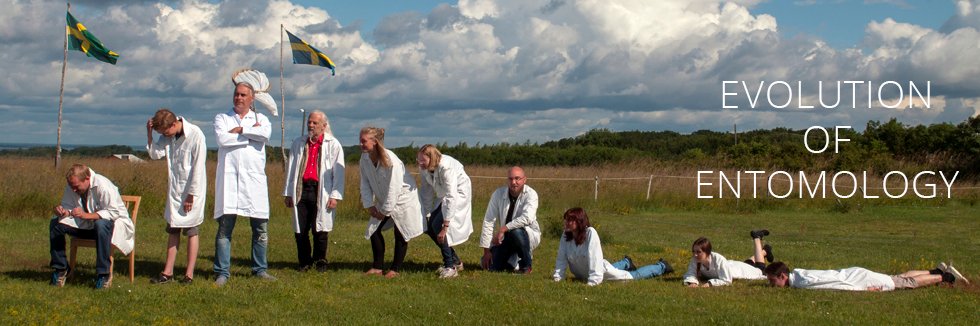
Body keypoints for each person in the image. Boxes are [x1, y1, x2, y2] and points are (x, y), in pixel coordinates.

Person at [212, 69, 277, 286]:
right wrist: (249, 135)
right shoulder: (222, 118)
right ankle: (222, 271)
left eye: (243, 95)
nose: (239, 98)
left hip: (254, 182)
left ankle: (260, 269)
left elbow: (264, 135)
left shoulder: (262, 119)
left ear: (252, 98)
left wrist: (241, 129)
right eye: (236, 94)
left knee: (260, 228)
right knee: (224, 229)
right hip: (229, 180)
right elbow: (223, 139)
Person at [146, 108, 207, 284]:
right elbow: (155, 154)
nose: (165, 135)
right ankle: (168, 272)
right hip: (175, 191)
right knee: (173, 229)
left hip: (191, 191)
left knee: (191, 230)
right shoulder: (168, 136)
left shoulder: (196, 135)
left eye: (165, 131)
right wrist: (149, 134)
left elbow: (198, 167)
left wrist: (191, 195)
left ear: (174, 124)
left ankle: (189, 274)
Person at [49, 164, 135, 289]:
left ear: (87, 178)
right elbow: (69, 207)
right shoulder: (72, 186)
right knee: (56, 223)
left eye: (76, 187)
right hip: (87, 226)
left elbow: (113, 212)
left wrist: (86, 215)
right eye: (71, 186)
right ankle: (60, 269)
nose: (74, 190)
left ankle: (104, 274)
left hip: (112, 227)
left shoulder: (103, 185)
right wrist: (62, 212)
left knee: (101, 224)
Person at [359, 127, 425, 278]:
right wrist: (369, 205)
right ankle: (377, 267)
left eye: (364, 141)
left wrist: (384, 211)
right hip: (384, 199)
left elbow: (394, 189)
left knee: (401, 232)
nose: (361, 144)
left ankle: (395, 269)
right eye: (360, 140)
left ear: (375, 142)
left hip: (403, 199)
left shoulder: (391, 160)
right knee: (373, 231)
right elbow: (365, 183)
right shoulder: (364, 158)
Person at [283, 110, 345, 272]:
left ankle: (320, 261)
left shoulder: (333, 144)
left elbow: (338, 173)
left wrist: (335, 196)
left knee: (320, 229)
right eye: (309, 122)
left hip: (322, 189)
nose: (311, 125)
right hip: (301, 189)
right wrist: (288, 193)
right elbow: (291, 168)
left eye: (315, 123)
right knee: (301, 229)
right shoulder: (299, 143)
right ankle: (304, 262)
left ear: (324, 126)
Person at [553, 208, 673, 286]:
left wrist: (593, 282)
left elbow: (595, 259)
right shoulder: (565, 236)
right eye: (566, 220)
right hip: (583, 274)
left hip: (601, 272)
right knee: (609, 266)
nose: (567, 223)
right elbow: (561, 259)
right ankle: (626, 263)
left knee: (632, 277)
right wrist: (558, 278)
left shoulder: (590, 233)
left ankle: (661, 266)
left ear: (579, 221)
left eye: (570, 220)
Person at [417, 144, 474, 279]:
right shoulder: (424, 168)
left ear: (432, 158)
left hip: (458, 193)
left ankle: (450, 267)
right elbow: (426, 192)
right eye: (418, 160)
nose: (420, 163)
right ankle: (456, 261)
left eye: (423, 160)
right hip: (445, 195)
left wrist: (445, 225)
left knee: (438, 226)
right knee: (430, 228)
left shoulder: (446, 167)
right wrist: (426, 214)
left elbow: (451, 196)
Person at [480, 166, 541, 273]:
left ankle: (526, 266)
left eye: (517, 178)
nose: (514, 182)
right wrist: (486, 251)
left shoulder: (531, 194)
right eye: (511, 179)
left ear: (524, 180)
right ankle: (511, 262)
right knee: (490, 267)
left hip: (526, 235)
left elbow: (527, 218)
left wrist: (503, 229)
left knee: (516, 231)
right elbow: (489, 221)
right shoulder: (498, 194)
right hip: (506, 238)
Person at [764, 261, 969, 291]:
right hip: (856, 272)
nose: (771, 284)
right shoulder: (800, 272)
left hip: (859, 279)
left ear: (782, 276)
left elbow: (835, 284)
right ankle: (936, 271)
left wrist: (863, 290)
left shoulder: (802, 281)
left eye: (772, 280)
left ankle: (946, 277)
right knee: (896, 276)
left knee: (904, 283)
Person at [682, 230, 775, 287]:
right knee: (748, 264)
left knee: (760, 269)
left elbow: (726, 280)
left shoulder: (718, 259)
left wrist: (710, 284)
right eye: (693, 251)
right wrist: (692, 282)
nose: (695, 255)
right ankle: (764, 251)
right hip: (734, 265)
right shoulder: (695, 259)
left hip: (740, 271)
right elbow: (690, 273)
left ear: (707, 252)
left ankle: (757, 237)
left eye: (698, 252)